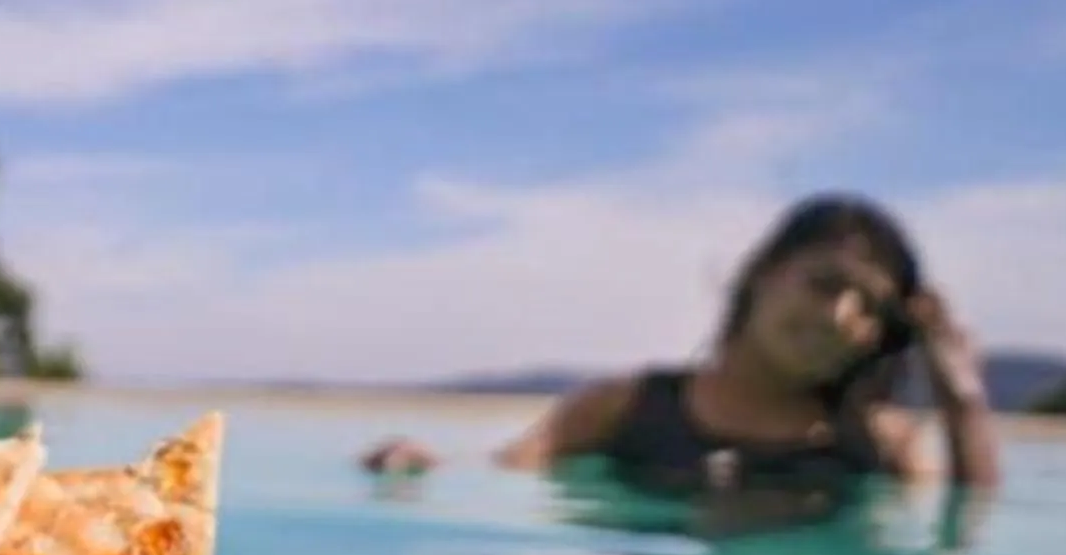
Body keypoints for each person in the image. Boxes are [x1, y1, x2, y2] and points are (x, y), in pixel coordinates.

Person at [363, 195, 1000, 492]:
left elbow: (966, 526)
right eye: (824, 283)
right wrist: (420, 463)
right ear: (762, 274)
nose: (841, 316)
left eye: (872, 310)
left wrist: (962, 398)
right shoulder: (624, 406)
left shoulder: (883, 442)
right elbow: (507, 470)